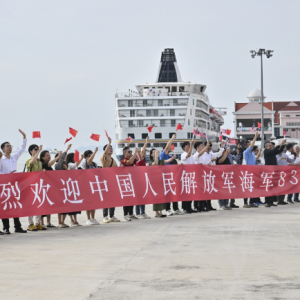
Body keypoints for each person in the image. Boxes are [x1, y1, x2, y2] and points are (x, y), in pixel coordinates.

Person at [0, 129, 27, 234]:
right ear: (3, 149)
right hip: (4, 187)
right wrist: (8, 175)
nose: (10, 147)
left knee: (15, 206)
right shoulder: (1, 160)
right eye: (7, 146)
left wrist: (24, 137)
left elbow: (22, 148)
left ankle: (17, 227)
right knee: (5, 207)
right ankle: (6, 228)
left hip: (14, 187)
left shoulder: (14, 157)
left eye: (10, 145)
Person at [198, 140, 225, 211]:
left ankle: (209, 205)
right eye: (208, 147)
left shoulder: (211, 153)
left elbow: (218, 154)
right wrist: (211, 161)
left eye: (210, 148)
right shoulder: (202, 154)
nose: (209, 149)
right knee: (204, 190)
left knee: (209, 190)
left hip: (211, 174)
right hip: (204, 175)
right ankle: (204, 205)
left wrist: (221, 147)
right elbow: (203, 164)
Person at [149, 148, 176, 217]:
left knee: (161, 196)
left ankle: (160, 212)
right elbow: (155, 164)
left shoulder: (160, 161)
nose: (155, 153)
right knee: (155, 197)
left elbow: (167, 161)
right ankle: (156, 213)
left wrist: (172, 158)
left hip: (160, 181)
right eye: (153, 152)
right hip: (154, 182)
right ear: (151, 155)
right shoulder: (150, 162)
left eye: (156, 152)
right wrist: (156, 155)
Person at [25, 144, 47, 231]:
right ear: (31, 151)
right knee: (31, 205)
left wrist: (43, 172)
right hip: (31, 185)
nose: (37, 150)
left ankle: (37, 223)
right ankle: (30, 224)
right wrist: (39, 152)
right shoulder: (29, 160)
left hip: (39, 185)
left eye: (37, 149)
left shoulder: (39, 162)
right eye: (35, 149)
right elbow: (31, 163)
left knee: (39, 204)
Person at [160, 134, 182, 216]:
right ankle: (168, 209)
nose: (170, 147)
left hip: (173, 177)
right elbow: (166, 148)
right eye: (169, 146)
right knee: (168, 194)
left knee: (174, 193)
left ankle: (176, 209)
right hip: (166, 177)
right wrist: (172, 138)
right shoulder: (163, 155)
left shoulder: (170, 156)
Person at [40, 150, 62, 228]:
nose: (49, 156)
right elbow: (49, 164)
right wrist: (58, 157)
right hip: (43, 188)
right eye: (47, 155)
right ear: (42, 157)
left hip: (49, 188)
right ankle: (42, 223)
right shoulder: (43, 164)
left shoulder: (49, 166)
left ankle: (48, 223)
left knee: (49, 204)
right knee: (43, 205)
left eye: (49, 155)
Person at [100, 136, 120, 223]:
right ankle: (105, 216)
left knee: (113, 199)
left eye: (111, 148)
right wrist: (109, 143)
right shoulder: (103, 158)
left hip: (112, 181)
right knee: (106, 199)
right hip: (105, 181)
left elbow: (116, 169)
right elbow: (104, 154)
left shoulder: (113, 159)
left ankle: (112, 215)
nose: (111, 149)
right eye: (109, 148)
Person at [264, 139, 286, 207]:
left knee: (272, 186)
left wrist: (283, 145)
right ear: (266, 147)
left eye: (271, 146)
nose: (271, 147)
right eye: (270, 146)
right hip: (268, 171)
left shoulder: (272, 152)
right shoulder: (266, 151)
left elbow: (279, 151)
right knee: (268, 187)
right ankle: (267, 201)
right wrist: (280, 144)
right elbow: (274, 150)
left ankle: (271, 201)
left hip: (273, 170)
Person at [81, 148, 100, 225]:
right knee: (88, 203)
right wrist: (95, 152)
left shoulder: (94, 164)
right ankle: (88, 218)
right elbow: (88, 162)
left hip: (94, 185)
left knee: (93, 203)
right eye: (89, 156)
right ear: (85, 157)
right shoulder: (85, 163)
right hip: (86, 185)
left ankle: (93, 218)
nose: (91, 157)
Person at [120, 146, 139, 221]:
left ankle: (131, 213)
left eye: (131, 151)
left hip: (132, 181)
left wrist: (137, 153)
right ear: (124, 153)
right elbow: (129, 162)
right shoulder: (123, 160)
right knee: (127, 199)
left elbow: (138, 160)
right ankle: (125, 214)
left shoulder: (132, 158)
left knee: (132, 198)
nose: (131, 153)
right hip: (126, 182)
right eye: (129, 152)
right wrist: (135, 153)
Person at [243, 132, 261, 208]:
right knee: (247, 187)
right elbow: (251, 146)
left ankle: (251, 202)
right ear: (247, 146)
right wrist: (255, 137)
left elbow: (255, 158)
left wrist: (259, 152)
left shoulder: (252, 153)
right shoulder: (246, 152)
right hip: (248, 172)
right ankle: (245, 203)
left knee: (252, 188)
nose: (251, 145)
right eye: (250, 144)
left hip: (253, 172)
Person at [135, 137, 151, 219]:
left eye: (145, 152)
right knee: (139, 198)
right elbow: (141, 153)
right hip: (138, 182)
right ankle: (138, 213)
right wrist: (146, 142)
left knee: (143, 197)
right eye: (143, 152)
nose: (144, 153)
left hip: (143, 181)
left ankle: (143, 212)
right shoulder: (139, 161)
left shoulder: (144, 161)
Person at [193, 141, 210, 211]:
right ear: (197, 147)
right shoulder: (195, 154)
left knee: (203, 190)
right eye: (201, 146)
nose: (202, 147)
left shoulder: (203, 155)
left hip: (203, 175)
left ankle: (203, 205)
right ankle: (196, 206)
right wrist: (206, 147)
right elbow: (199, 154)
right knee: (198, 191)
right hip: (197, 175)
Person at [181, 140, 196, 213]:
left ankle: (189, 207)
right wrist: (192, 145)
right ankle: (185, 208)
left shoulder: (192, 156)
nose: (189, 146)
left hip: (191, 175)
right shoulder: (183, 154)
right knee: (186, 192)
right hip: (185, 176)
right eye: (187, 145)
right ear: (184, 148)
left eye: (189, 145)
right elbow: (188, 155)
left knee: (190, 192)